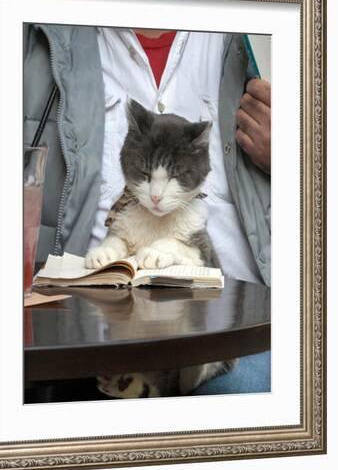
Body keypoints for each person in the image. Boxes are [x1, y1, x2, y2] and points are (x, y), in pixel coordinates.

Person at [23, 23, 271, 395]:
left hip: (239, 335)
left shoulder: (259, 32)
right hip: (85, 336)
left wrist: (307, 152)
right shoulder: (37, 33)